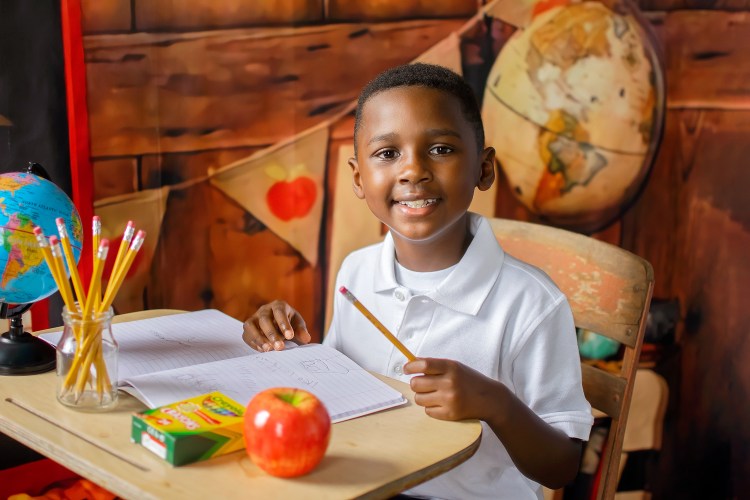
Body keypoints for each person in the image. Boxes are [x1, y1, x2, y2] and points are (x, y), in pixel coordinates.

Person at [242, 62, 593, 499]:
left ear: (484, 169)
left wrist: (496, 405)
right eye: (388, 154)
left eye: (441, 149)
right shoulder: (357, 272)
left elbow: (560, 468)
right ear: (358, 177)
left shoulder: (531, 304)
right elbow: (337, 389)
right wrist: (287, 344)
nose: (412, 171)